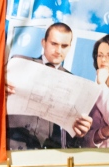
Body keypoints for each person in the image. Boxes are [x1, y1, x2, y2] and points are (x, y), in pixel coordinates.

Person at [7, 22, 92, 150]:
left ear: (69, 47)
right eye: (54, 44)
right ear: (43, 42)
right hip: (12, 147)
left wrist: (80, 132)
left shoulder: (75, 83)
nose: (58, 51)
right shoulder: (19, 64)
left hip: (50, 155)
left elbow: (72, 136)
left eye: (64, 46)